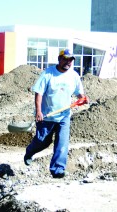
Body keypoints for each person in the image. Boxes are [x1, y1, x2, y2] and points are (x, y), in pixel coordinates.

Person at [24, 49, 89, 178]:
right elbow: (39, 93)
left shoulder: (74, 76)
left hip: (64, 115)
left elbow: (79, 92)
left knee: (62, 143)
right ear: (59, 59)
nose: (68, 62)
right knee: (42, 141)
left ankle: (58, 169)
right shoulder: (48, 74)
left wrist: (83, 98)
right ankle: (30, 151)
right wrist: (38, 111)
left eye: (70, 60)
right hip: (47, 115)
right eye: (65, 59)